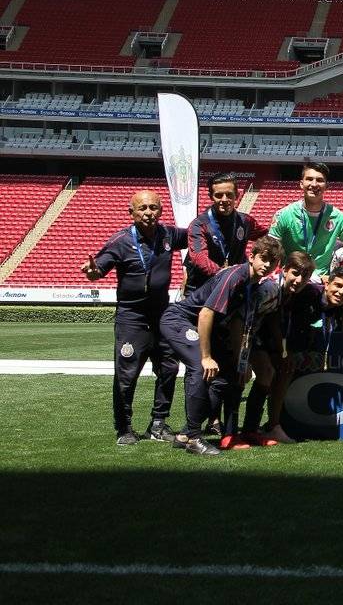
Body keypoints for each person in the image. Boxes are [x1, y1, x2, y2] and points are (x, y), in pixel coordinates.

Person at [82, 190, 189, 446]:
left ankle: (159, 423)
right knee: (126, 375)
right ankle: (124, 427)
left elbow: (198, 235)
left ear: (161, 210)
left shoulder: (169, 235)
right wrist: (94, 271)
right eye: (142, 208)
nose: (148, 213)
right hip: (132, 319)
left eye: (153, 207)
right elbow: (100, 266)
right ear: (131, 213)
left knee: (169, 369)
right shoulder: (120, 240)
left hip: (162, 316)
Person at [158, 236, 283, 456]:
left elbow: (237, 324)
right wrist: (206, 356)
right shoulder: (237, 276)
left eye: (272, 262)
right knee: (201, 367)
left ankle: (185, 433)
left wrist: (238, 360)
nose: (267, 265)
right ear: (252, 257)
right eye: (263, 259)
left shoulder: (252, 285)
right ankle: (195, 438)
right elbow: (206, 313)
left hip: (205, 326)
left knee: (225, 377)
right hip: (180, 320)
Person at [258, 250, 319, 444]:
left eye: (305, 276)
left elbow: (275, 321)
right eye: (295, 273)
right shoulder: (268, 287)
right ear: (284, 270)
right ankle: (234, 429)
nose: (299, 280)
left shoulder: (295, 292)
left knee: (285, 368)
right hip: (240, 333)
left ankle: (271, 426)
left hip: (262, 336)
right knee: (262, 371)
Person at [268, 160, 343, 276]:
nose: (314, 184)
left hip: (321, 281)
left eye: (319, 180)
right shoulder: (283, 215)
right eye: (309, 179)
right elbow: (271, 250)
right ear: (301, 183)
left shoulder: (340, 218)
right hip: (289, 277)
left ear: (327, 186)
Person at [185, 172, 267, 293]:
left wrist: (279, 224)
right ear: (211, 196)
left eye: (229, 195)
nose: (224, 200)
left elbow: (266, 236)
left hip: (233, 288)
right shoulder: (199, 225)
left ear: (237, 195)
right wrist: (223, 273)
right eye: (219, 195)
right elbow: (199, 257)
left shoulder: (245, 221)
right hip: (202, 290)